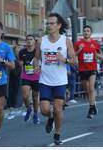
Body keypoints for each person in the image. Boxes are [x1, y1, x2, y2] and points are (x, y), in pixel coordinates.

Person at [34, 13, 77, 145]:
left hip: (60, 81)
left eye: (52, 23)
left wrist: (63, 59)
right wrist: (37, 66)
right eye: (47, 23)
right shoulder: (41, 41)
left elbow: (74, 61)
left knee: (58, 109)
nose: (49, 26)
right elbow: (36, 58)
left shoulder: (65, 41)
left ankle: (57, 134)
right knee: (44, 110)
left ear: (59, 25)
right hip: (45, 80)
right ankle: (50, 118)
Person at [74, 25, 102, 118]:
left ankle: (91, 107)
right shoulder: (78, 43)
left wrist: (97, 54)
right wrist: (79, 50)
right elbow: (73, 55)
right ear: (83, 33)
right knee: (86, 90)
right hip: (82, 69)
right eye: (85, 31)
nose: (86, 32)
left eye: (88, 31)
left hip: (92, 68)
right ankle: (93, 105)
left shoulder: (95, 43)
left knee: (91, 88)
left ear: (91, 33)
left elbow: (100, 55)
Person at [19, 35, 41, 124]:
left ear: (34, 41)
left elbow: (42, 62)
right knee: (25, 96)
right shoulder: (22, 52)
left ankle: (35, 114)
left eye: (31, 39)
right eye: (27, 39)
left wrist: (39, 67)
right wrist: (20, 63)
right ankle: (29, 108)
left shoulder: (38, 51)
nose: (29, 41)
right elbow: (20, 62)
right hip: (26, 76)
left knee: (35, 98)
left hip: (36, 76)